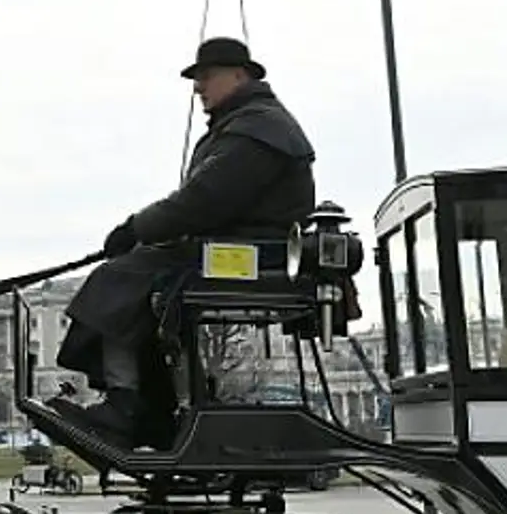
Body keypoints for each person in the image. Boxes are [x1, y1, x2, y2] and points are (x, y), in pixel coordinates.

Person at [55, 37, 317, 446]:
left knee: (118, 279)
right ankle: (148, 409)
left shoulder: (257, 129)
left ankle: (127, 406)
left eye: (206, 76)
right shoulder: (250, 125)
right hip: (243, 248)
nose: (198, 88)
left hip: (251, 255)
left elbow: (202, 200)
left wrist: (137, 228)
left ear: (240, 74)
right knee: (136, 280)